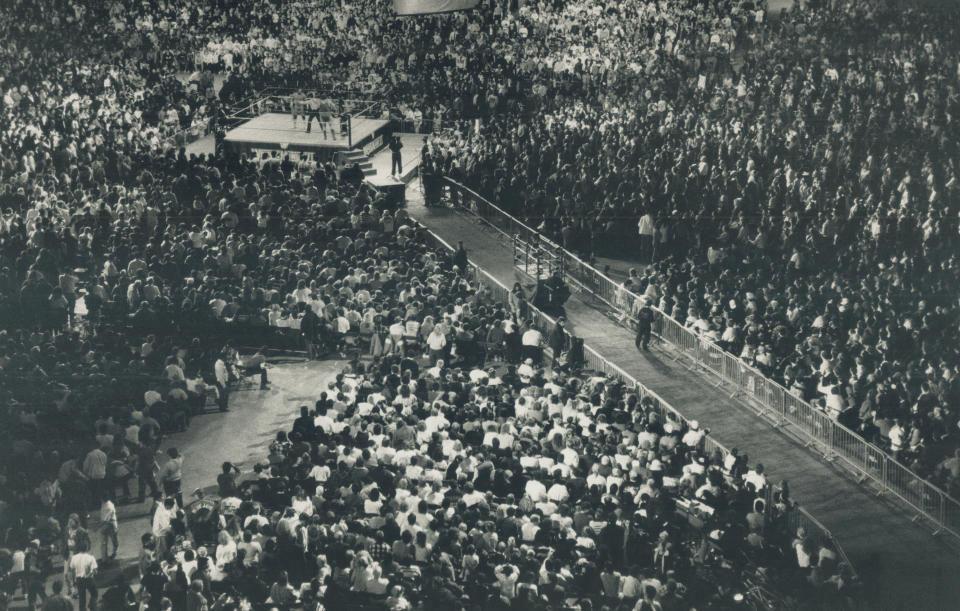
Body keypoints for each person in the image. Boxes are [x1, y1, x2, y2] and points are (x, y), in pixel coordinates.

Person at [69, 541, 98, 611]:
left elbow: (72, 571)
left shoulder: (74, 558)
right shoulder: (90, 557)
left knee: (82, 598)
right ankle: (92, 607)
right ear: (86, 548)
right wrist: (91, 574)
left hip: (79, 580)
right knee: (94, 593)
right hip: (88, 579)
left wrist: (73, 581)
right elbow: (95, 571)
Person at [100, 494, 119, 562]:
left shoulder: (108, 506)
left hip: (109, 525)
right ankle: (107, 556)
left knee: (107, 542)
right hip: (110, 524)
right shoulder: (106, 504)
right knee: (113, 541)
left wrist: (99, 526)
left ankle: (106, 557)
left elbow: (106, 519)